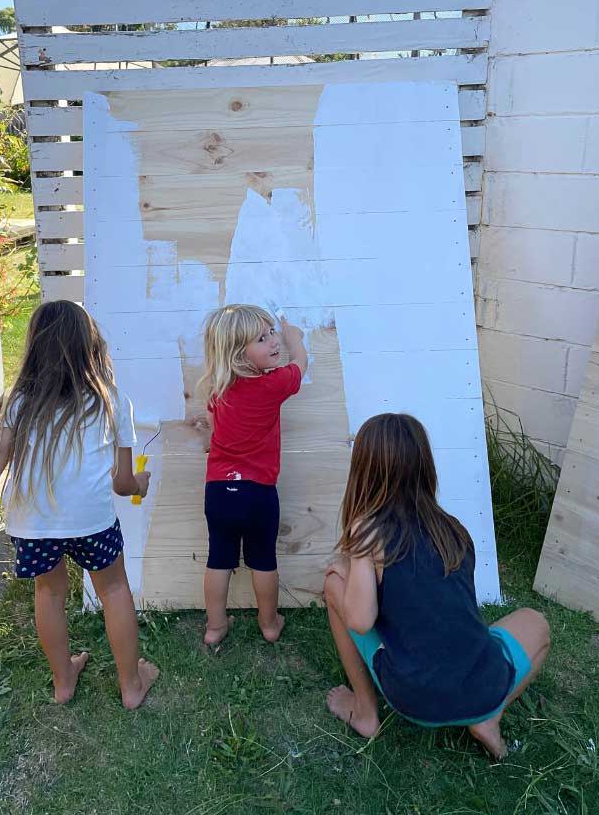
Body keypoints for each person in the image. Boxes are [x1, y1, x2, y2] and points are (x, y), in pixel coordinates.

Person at [0, 300, 159, 708]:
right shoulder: (111, 400)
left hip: (34, 525)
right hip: (93, 522)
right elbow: (122, 484)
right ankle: (132, 686)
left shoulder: (21, 401)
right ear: (91, 345)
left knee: (49, 593)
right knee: (114, 589)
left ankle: (64, 683)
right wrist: (141, 482)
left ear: (34, 347)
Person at [323, 412, 550, 759]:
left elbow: (359, 620)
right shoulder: (455, 530)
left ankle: (365, 712)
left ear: (363, 472)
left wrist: (353, 558)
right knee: (536, 623)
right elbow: (452, 609)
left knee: (333, 583)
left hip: (414, 697)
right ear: (425, 466)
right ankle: (490, 716)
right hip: (482, 684)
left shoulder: (369, 533)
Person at [200, 304, 308, 646]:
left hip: (219, 490)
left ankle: (215, 627)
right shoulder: (272, 384)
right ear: (239, 355)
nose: (273, 341)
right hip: (258, 492)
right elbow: (300, 367)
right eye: (262, 339)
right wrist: (295, 339)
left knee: (219, 559)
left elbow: (214, 434)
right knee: (263, 560)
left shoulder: (218, 392)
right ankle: (269, 623)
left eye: (273, 332)